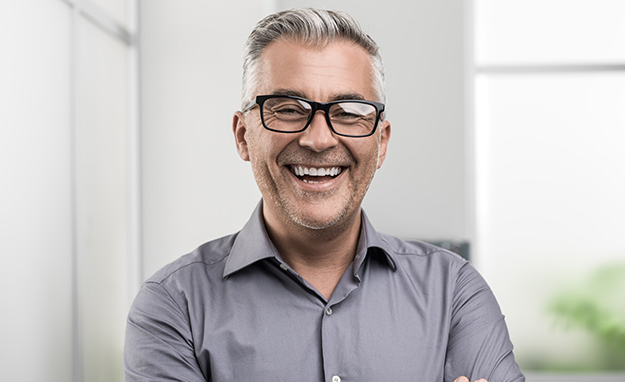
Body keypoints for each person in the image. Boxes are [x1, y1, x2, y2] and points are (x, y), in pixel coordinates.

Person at [124, 7, 524, 382]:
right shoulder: (174, 307)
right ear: (243, 135)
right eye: (287, 108)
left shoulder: (455, 292)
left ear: (381, 142)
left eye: (349, 112)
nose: (318, 139)